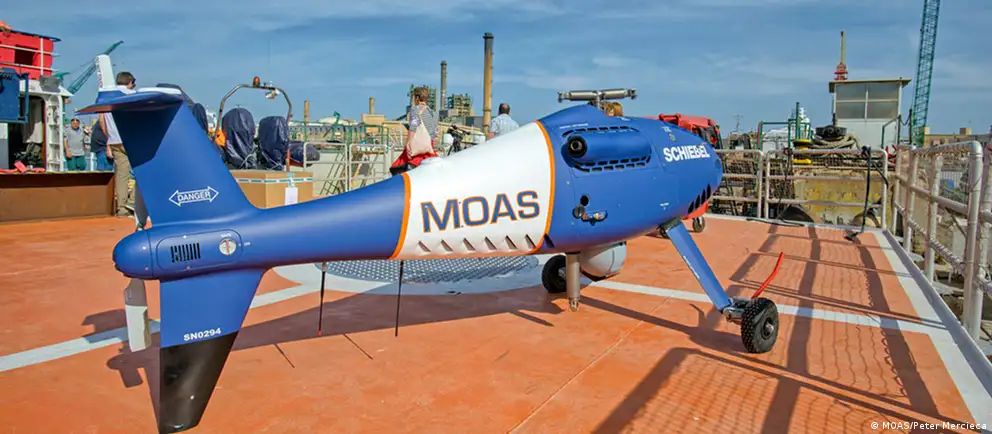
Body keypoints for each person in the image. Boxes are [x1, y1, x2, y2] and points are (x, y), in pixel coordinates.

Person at [103, 71, 137, 216]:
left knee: (122, 175)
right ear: (130, 82)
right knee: (142, 171)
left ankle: (121, 207)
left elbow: (102, 121)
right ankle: (133, 201)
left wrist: (109, 139)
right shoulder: (133, 95)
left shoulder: (107, 97)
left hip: (114, 140)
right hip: (131, 138)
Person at [389, 86, 438, 176]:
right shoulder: (433, 113)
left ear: (417, 98)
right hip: (429, 148)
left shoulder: (415, 109)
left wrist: (408, 142)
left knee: (400, 171)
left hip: (417, 147)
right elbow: (435, 133)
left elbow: (413, 126)